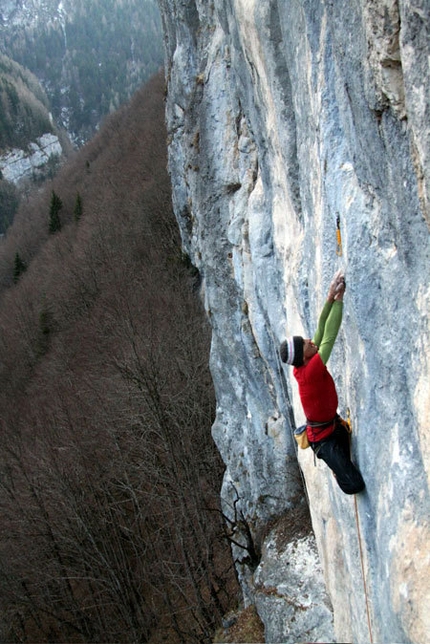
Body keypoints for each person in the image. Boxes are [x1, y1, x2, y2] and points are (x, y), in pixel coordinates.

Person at [280, 271, 365, 495]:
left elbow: (320, 330)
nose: (310, 341)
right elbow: (329, 336)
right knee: (355, 485)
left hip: (332, 425)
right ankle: (337, 471)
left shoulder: (306, 359)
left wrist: (329, 296)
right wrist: (339, 301)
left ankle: (340, 457)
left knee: (347, 442)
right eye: (306, 344)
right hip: (324, 441)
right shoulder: (311, 371)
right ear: (304, 356)